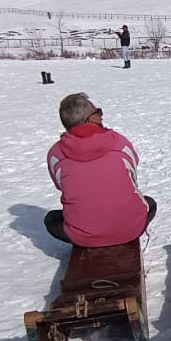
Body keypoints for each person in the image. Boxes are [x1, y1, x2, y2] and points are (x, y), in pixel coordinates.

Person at [44, 92, 156, 247]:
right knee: (149, 203)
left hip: (82, 236)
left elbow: (62, 187)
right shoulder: (120, 143)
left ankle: (91, 235)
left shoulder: (56, 154)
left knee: (51, 219)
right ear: (90, 119)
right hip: (130, 228)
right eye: (99, 112)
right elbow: (132, 178)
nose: (101, 116)